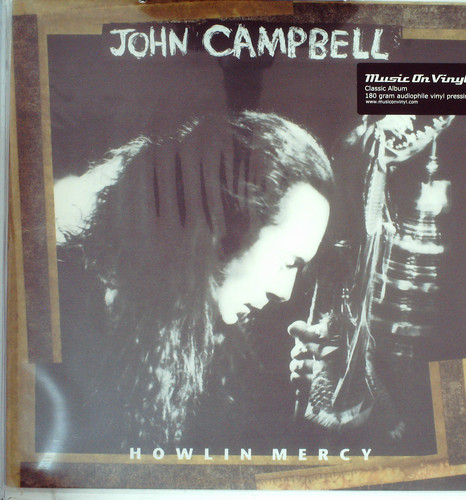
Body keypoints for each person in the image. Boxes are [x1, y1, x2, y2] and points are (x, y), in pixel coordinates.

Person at [48, 111, 335, 451]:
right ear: (229, 224)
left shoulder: (212, 346)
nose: (285, 292)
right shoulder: (59, 313)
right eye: (288, 262)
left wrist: (318, 401)